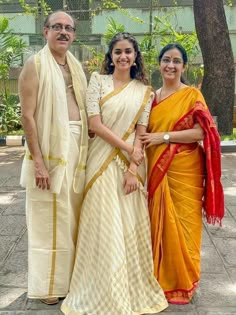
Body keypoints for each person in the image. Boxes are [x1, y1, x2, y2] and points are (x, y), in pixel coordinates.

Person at [61, 32, 168, 315]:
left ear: (135, 58)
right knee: (101, 226)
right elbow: (95, 124)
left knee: (127, 228)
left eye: (128, 52)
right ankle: (101, 291)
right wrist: (128, 149)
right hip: (100, 164)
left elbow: (141, 133)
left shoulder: (144, 91)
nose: (123, 57)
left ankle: (127, 289)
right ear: (110, 57)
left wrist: (134, 167)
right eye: (117, 52)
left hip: (129, 170)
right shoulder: (98, 82)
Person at [140, 43, 224, 304]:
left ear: (184, 66)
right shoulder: (151, 97)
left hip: (185, 170)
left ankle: (183, 281)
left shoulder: (192, 95)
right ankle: (159, 279)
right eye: (166, 60)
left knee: (185, 226)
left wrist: (163, 137)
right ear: (159, 64)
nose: (171, 65)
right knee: (158, 225)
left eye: (177, 61)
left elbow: (201, 132)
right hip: (156, 168)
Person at [18, 10, 88, 305]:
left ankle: (68, 281)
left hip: (76, 150)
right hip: (48, 154)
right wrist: (38, 162)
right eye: (57, 27)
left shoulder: (75, 66)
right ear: (45, 31)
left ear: (73, 34)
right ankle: (47, 286)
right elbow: (27, 116)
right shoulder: (34, 65)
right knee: (47, 221)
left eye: (68, 28)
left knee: (70, 220)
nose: (63, 32)